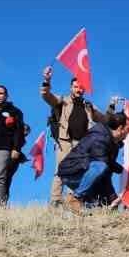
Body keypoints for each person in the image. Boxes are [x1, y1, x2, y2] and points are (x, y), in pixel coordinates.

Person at [40, 64, 104, 206]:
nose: (79, 90)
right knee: (60, 171)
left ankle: (71, 201)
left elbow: (104, 119)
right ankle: (55, 201)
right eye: (76, 87)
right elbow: (46, 96)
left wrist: (113, 109)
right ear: (71, 88)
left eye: (81, 87)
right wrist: (46, 80)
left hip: (81, 144)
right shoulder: (63, 101)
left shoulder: (89, 106)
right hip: (65, 142)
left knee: (78, 173)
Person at [57, 112, 129, 212]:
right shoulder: (99, 137)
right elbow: (102, 163)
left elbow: (106, 174)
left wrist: (112, 197)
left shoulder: (114, 144)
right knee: (100, 166)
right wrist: (123, 170)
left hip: (86, 172)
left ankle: (81, 206)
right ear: (120, 128)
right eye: (128, 129)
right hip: (72, 172)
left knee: (106, 204)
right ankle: (76, 199)